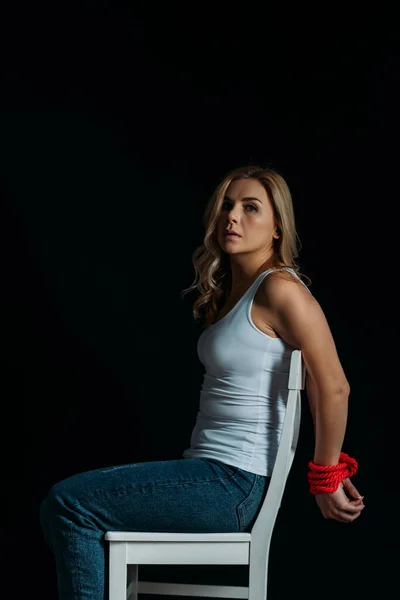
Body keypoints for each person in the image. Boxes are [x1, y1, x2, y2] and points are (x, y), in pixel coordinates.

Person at [39, 164, 364, 600]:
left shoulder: (280, 289)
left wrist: (325, 475)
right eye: (227, 206)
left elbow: (333, 386)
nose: (232, 217)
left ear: (276, 228)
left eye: (251, 208)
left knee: (69, 505)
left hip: (232, 484)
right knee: (81, 513)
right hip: (210, 474)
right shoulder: (234, 294)